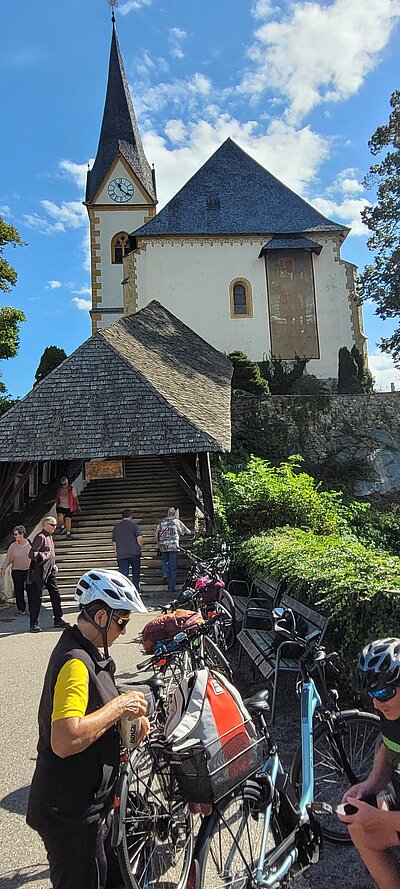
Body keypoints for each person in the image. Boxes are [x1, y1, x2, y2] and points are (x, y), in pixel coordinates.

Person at [26, 569, 150, 889]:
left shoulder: (93, 655)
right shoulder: (75, 664)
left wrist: (129, 724)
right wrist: (118, 707)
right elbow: (65, 740)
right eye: (122, 621)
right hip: (70, 814)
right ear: (100, 616)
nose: (124, 631)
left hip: (91, 805)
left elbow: (97, 711)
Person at [339, 638, 400, 889]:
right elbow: (388, 747)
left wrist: (378, 818)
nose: (377, 703)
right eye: (371, 694)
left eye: (384, 692)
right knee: (360, 828)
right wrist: (368, 786)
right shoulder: (391, 709)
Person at [26, 516, 68, 633]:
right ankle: (33, 624)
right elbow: (33, 554)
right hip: (40, 571)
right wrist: (45, 557)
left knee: (55, 594)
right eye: (52, 525)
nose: (54, 527)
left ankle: (58, 619)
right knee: (36, 598)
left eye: (55, 525)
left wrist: (53, 564)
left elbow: (51, 554)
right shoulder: (40, 536)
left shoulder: (49, 536)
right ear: (45, 525)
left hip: (49, 571)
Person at [155, 507, 192, 593]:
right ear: (174, 513)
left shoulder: (162, 521)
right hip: (174, 547)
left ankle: (165, 574)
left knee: (164, 561)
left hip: (163, 546)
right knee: (173, 567)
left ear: (168, 513)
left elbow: (156, 533)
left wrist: (158, 543)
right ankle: (171, 588)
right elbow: (187, 531)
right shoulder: (177, 521)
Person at [0, 525, 31, 614]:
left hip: (29, 570)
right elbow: (8, 559)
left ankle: (33, 607)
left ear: (22, 534)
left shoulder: (30, 544)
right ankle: (21, 608)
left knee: (30, 589)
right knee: (18, 590)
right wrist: (3, 569)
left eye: (16, 534)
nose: (14, 536)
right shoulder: (13, 546)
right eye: (14, 534)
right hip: (17, 571)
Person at [112, 509, 144, 590]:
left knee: (123, 574)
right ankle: (136, 588)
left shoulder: (117, 527)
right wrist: (140, 547)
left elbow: (114, 542)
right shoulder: (134, 525)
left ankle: (124, 589)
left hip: (122, 554)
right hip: (134, 553)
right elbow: (139, 539)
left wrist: (117, 553)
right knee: (136, 572)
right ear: (130, 516)